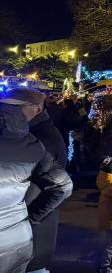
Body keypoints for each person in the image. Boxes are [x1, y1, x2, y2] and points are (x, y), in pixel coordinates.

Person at [0, 90, 73, 273]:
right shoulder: (31, 137)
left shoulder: (41, 138)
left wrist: (31, 217)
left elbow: (56, 188)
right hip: (21, 240)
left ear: (37, 109)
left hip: (34, 237)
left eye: (18, 107)